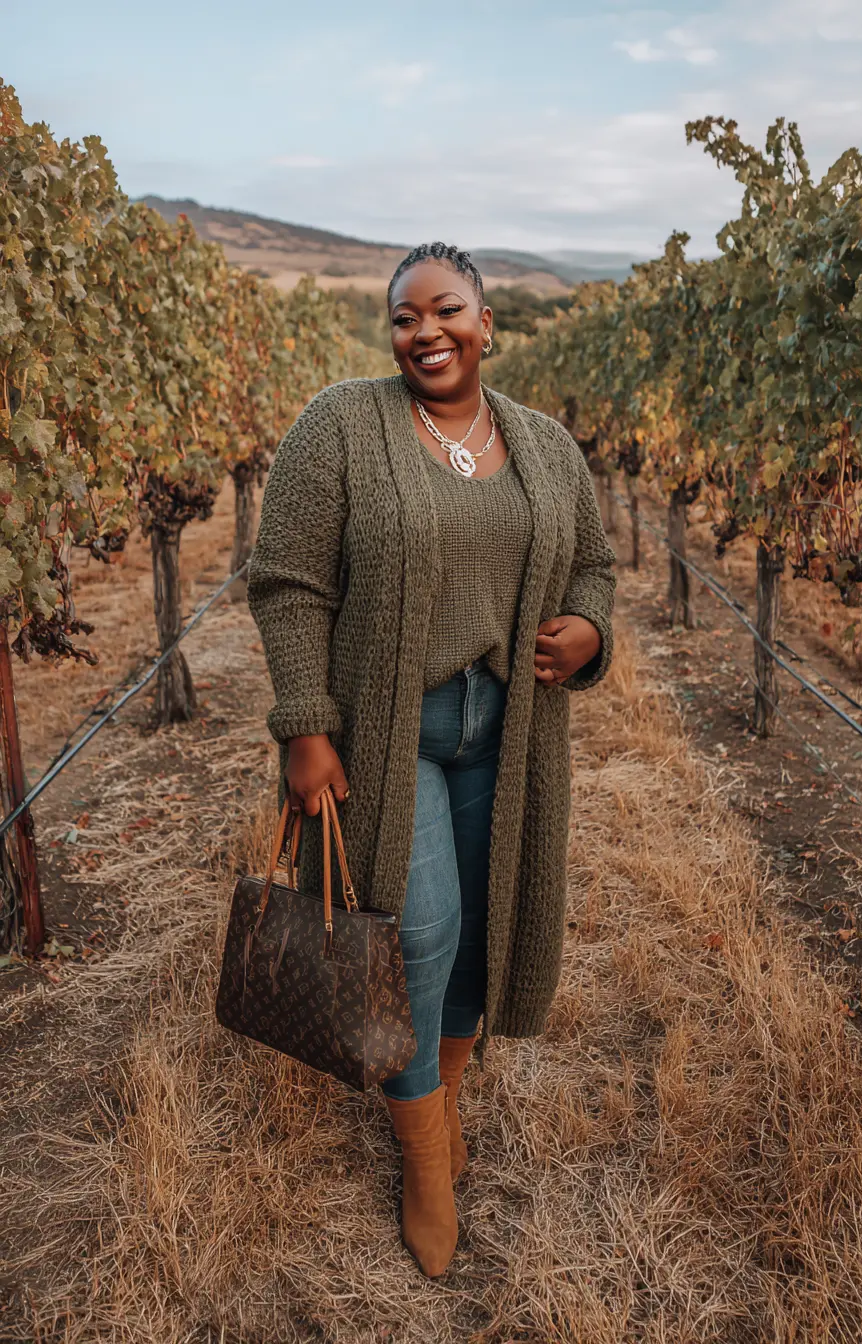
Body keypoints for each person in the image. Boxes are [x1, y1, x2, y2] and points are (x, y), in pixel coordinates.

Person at [247, 242, 616, 1279]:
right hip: (386, 730)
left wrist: (586, 629)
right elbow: (287, 585)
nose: (425, 332)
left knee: (479, 938)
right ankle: (424, 1163)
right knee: (418, 932)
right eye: (404, 318)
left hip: (506, 729)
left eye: (445, 311)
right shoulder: (341, 426)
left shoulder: (542, 446)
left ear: (486, 324)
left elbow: (591, 564)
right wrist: (306, 728)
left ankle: (439, 1102)